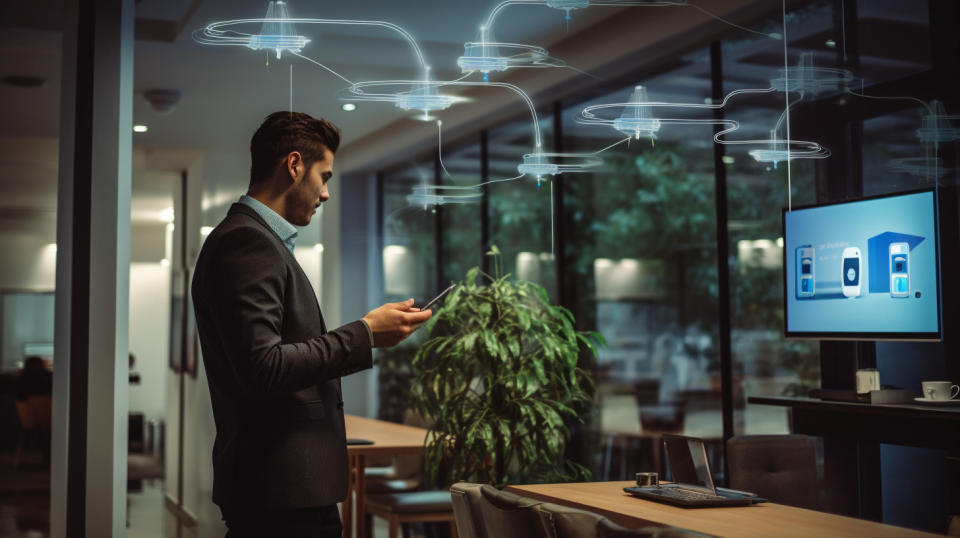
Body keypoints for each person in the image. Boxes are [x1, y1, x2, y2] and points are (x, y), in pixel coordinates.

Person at [192, 111, 432, 537]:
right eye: (325, 177)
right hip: (279, 494)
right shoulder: (247, 242)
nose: (325, 194)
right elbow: (262, 366)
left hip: (290, 490)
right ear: (294, 165)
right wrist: (365, 334)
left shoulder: (255, 241)